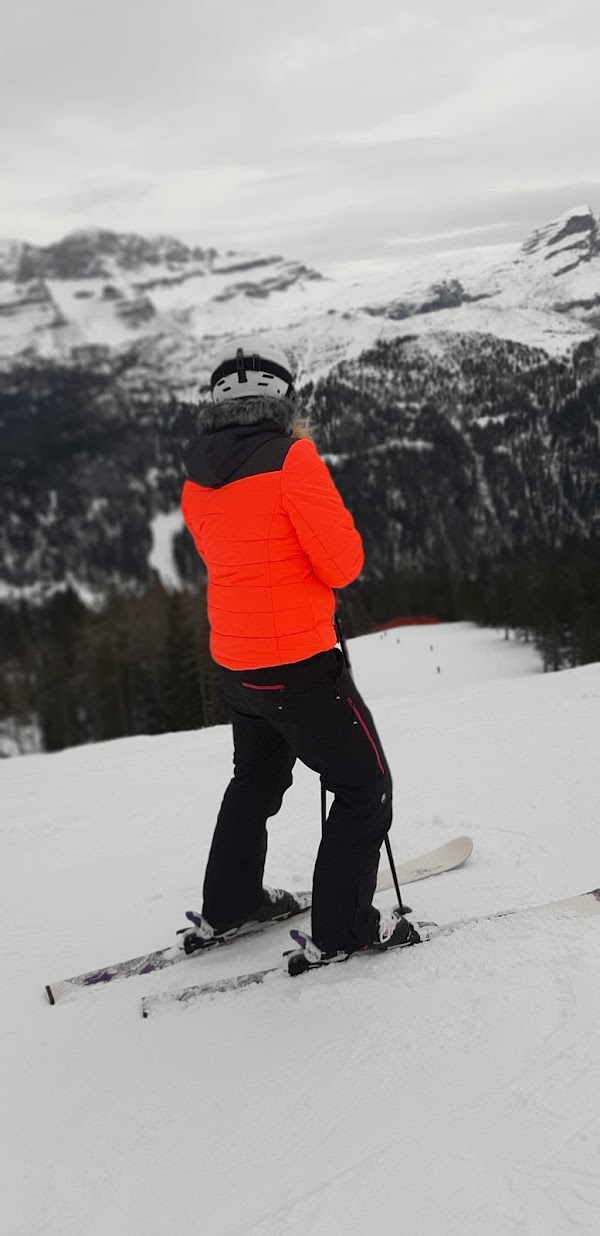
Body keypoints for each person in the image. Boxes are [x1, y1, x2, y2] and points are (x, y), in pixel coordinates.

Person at [181, 337, 418, 963]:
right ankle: (344, 931)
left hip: (238, 664)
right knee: (364, 788)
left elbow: (234, 560)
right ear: (285, 399)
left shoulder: (197, 477)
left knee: (255, 779)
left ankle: (231, 904)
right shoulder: (293, 458)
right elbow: (343, 564)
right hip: (301, 666)